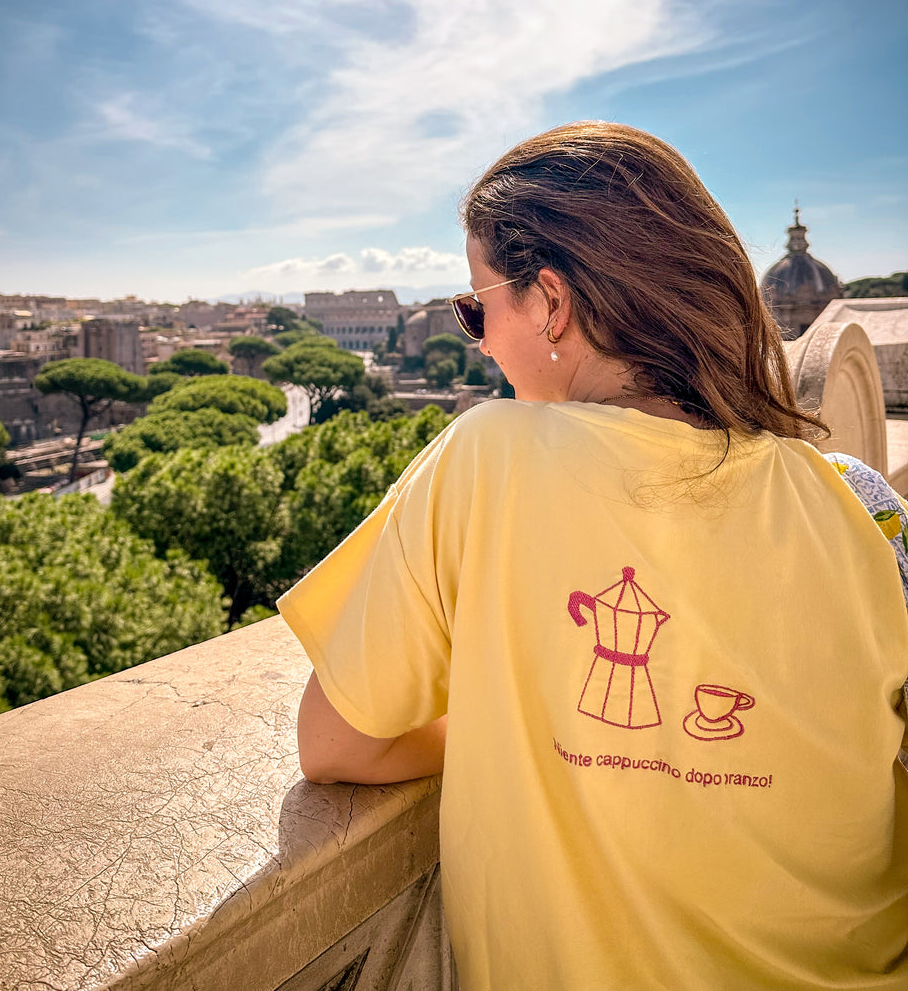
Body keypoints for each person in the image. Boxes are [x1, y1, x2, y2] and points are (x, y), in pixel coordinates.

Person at [277, 122, 908, 990]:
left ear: (550, 302)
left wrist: (522, 713)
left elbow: (337, 743)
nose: (480, 341)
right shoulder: (866, 508)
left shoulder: (482, 459)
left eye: (477, 308)